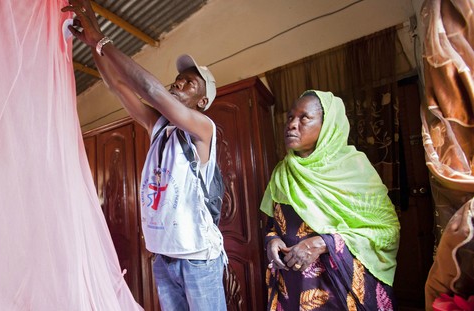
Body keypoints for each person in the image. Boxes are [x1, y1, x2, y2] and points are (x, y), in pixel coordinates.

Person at [62, 0, 227, 309]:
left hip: (198, 258)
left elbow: (152, 91)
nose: (179, 81)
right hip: (163, 256)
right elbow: (117, 85)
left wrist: (102, 40)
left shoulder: (203, 129)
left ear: (202, 101)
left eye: (189, 82)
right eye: (180, 77)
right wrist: (95, 49)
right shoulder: (159, 126)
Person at [260, 90, 400, 310]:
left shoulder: (355, 169)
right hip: (294, 286)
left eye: (304, 118)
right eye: (290, 117)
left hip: (338, 286)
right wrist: (272, 241)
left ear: (327, 126)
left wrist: (324, 243)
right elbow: (272, 225)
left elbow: (385, 231)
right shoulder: (282, 172)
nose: (292, 124)